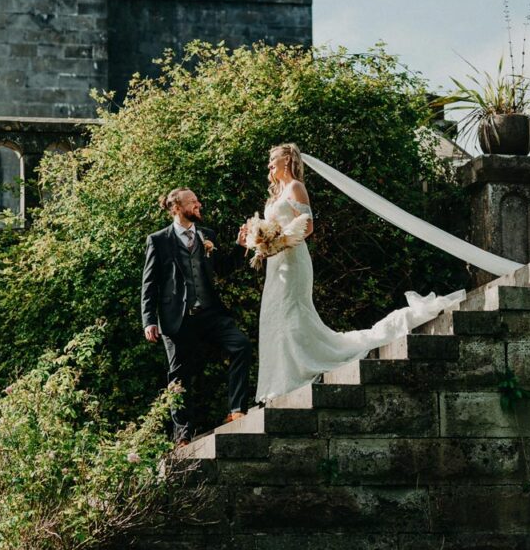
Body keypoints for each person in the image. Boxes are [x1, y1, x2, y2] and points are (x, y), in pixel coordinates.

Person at [243, 143, 463, 402]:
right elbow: (271, 229)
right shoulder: (276, 194)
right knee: (275, 317)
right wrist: (256, 242)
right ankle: (280, 381)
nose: (269, 164)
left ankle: (302, 369)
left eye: (273, 159)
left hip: (293, 261)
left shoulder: (295, 188)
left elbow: (308, 227)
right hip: (275, 264)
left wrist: (277, 243)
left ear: (287, 160)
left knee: (292, 314)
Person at [141, 187, 253, 443]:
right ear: (177, 208)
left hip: (210, 314)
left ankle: (237, 410)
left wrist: (239, 247)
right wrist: (149, 320)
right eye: (193, 202)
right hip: (177, 319)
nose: (199, 204)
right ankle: (182, 435)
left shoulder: (207, 235)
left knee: (241, 345)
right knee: (179, 376)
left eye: (197, 201)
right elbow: (149, 284)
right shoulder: (159, 240)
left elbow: (222, 269)